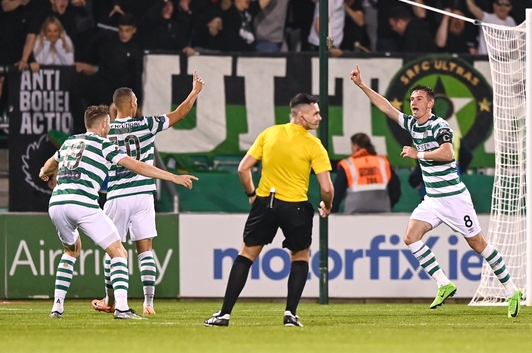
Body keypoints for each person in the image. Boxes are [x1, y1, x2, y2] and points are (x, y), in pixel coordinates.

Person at [349, 65, 522, 317]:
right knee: (410, 237)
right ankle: (444, 283)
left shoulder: (439, 125)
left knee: (479, 245)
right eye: (411, 99)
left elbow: (448, 152)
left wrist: (417, 153)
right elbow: (387, 107)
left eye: (419, 99)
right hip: (433, 199)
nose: (413, 103)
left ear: (430, 103)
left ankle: (511, 290)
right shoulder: (411, 124)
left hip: (454, 198)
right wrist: (363, 86)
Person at [38, 105, 196, 319]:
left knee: (71, 251)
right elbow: (138, 166)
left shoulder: (70, 141)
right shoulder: (104, 145)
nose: (110, 126)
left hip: (57, 203)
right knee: (118, 252)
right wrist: (173, 177)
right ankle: (121, 308)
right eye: (109, 123)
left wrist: (44, 173)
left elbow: (49, 164)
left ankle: (57, 307)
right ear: (104, 124)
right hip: (82, 203)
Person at [204, 93, 334, 328]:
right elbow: (326, 187)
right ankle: (290, 315)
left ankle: (224, 314)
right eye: (316, 113)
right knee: (300, 256)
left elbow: (244, 169)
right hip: (296, 206)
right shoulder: (314, 145)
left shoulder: (270, 133)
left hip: (266, 202)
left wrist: (252, 195)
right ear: (301, 115)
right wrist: (328, 204)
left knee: (246, 255)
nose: (320, 118)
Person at [91, 72, 204, 316]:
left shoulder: (105, 132)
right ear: (132, 104)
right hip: (143, 195)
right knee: (146, 249)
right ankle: (149, 303)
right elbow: (180, 114)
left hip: (117, 196)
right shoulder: (146, 124)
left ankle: (110, 300)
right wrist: (194, 92)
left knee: (114, 251)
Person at [332, 133, 401, 214]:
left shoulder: (348, 164)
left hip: (353, 212)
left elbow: (337, 193)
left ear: (355, 145)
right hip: (382, 210)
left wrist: (332, 213)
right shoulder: (382, 162)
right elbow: (395, 189)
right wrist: (387, 204)